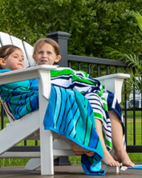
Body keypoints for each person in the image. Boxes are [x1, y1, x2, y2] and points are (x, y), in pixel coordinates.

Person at [31, 38, 134, 168]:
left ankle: (120, 150)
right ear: (34, 56)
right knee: (93, 99)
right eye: (40, 52)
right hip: (58, 105)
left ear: (57, 58)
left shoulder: (65, 72)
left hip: (74, 101)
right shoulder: (31, 73)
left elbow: (79, 81)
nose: (44, 56)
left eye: (49, 53)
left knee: (108, 97)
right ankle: (102, 149)